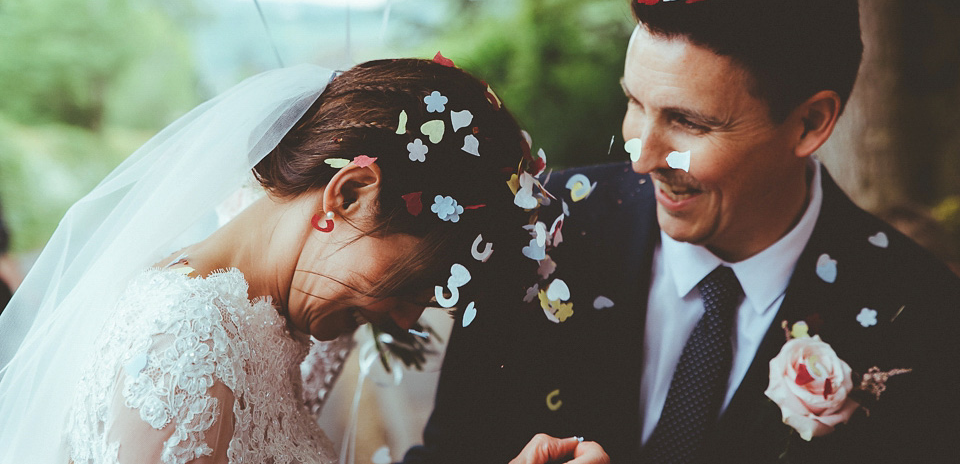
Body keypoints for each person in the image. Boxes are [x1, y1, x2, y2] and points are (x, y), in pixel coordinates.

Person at [400, 0, 960, 464]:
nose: (642, 159)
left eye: (688, 123)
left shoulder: (923, 319)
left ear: (811, 123)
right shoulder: (537, 234)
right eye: (635, 103)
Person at [0, 58, 595, 464]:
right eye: (418, 283)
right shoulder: (182, 341)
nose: (412, 319)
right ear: (352, 192)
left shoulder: (271, 329)